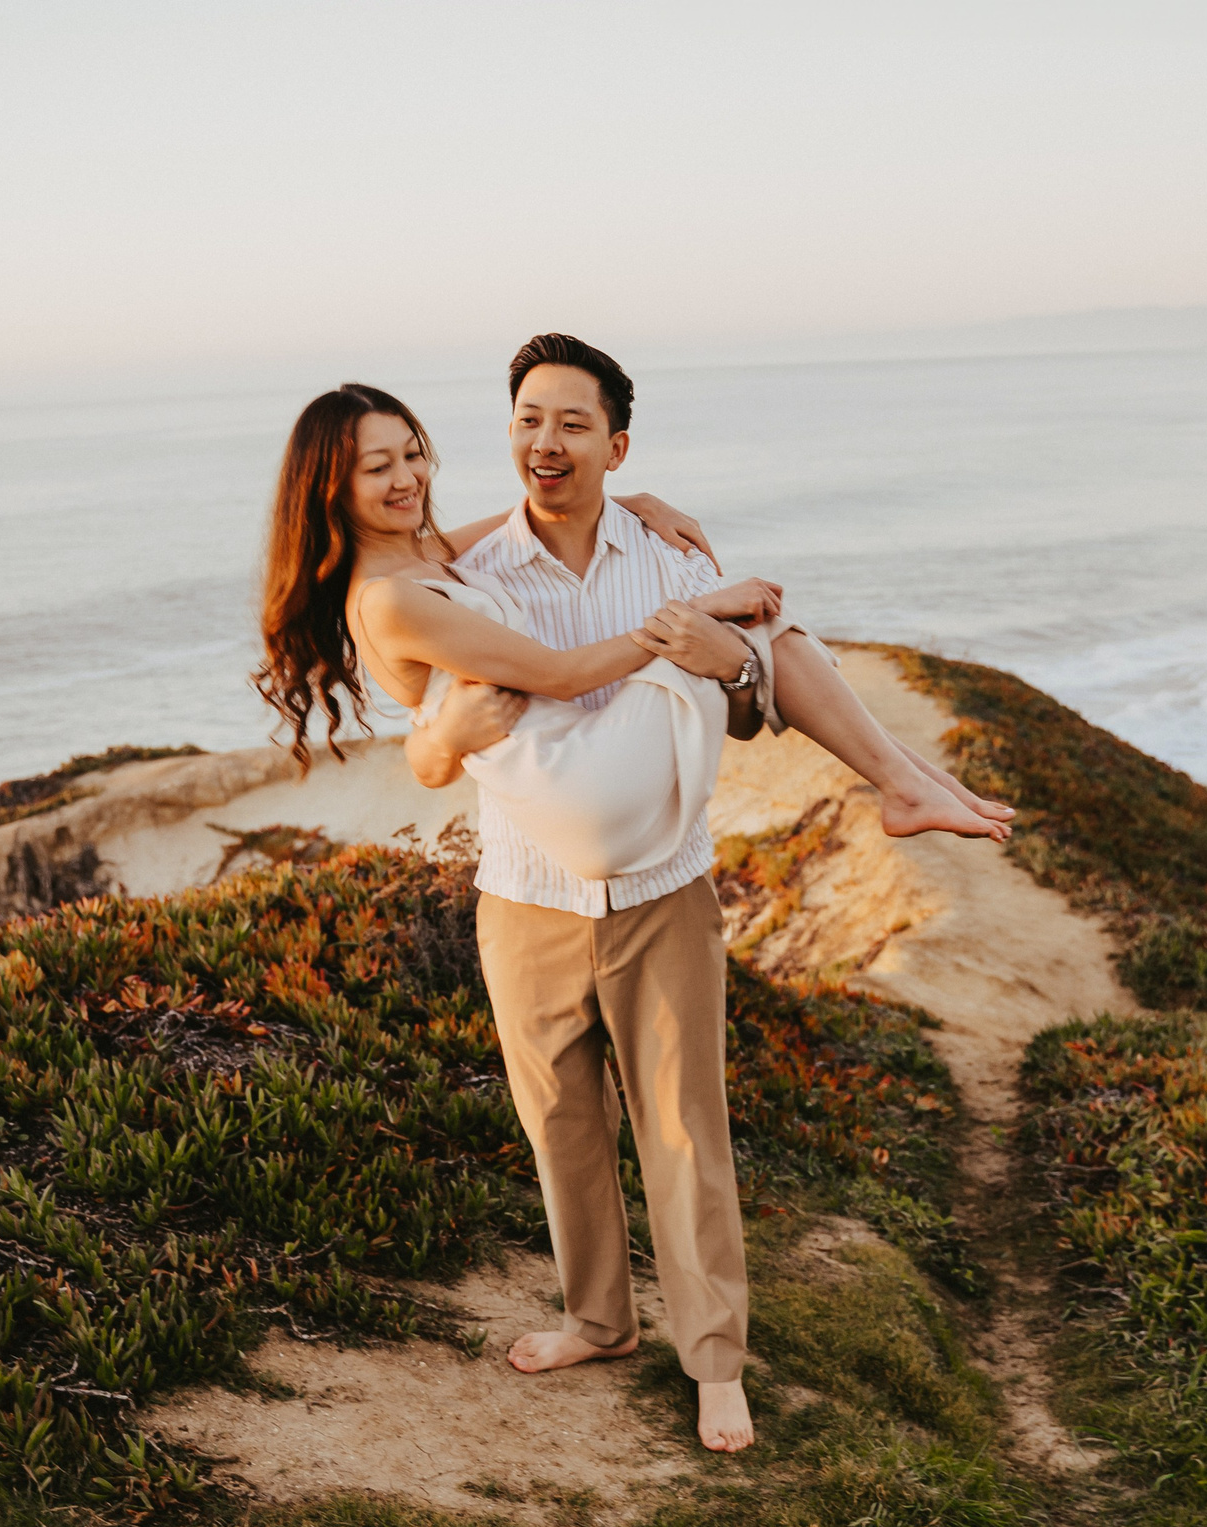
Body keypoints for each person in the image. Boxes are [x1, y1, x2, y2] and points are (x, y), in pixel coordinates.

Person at [253, 338, 1009, 1451]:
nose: (408, 476)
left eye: (413, 452)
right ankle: (598, 1322)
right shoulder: (461, 578)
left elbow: (746, 705)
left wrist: (715, 634)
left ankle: (714, 1362)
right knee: (561, 1129)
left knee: (684, 1132)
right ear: (334, 483)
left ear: (612, 442)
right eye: (525, 420)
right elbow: (476, 696)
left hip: (660, 885)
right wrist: (437, 738)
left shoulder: (633, 548)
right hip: (527, 897)